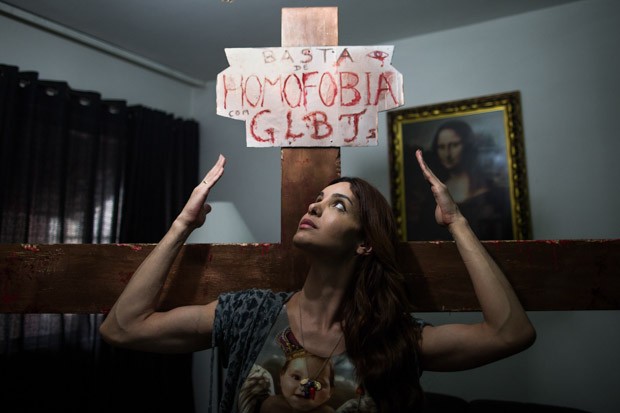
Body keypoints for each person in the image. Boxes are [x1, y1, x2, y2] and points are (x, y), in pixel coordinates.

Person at [100, 151, 536, 412]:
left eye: (338, 205)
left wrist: (456, 221)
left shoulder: (391, 339)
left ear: (365, 243)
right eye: (317, 200)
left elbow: (510, 333)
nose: (314, 207)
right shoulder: (250, 314)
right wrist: (183, 224)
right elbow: (122, 327)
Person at [410, 120, 512, 240]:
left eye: (454, 145)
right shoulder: (430, 194)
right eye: (441, 147)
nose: (447, 154)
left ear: (468, 146)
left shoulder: (492, 192)